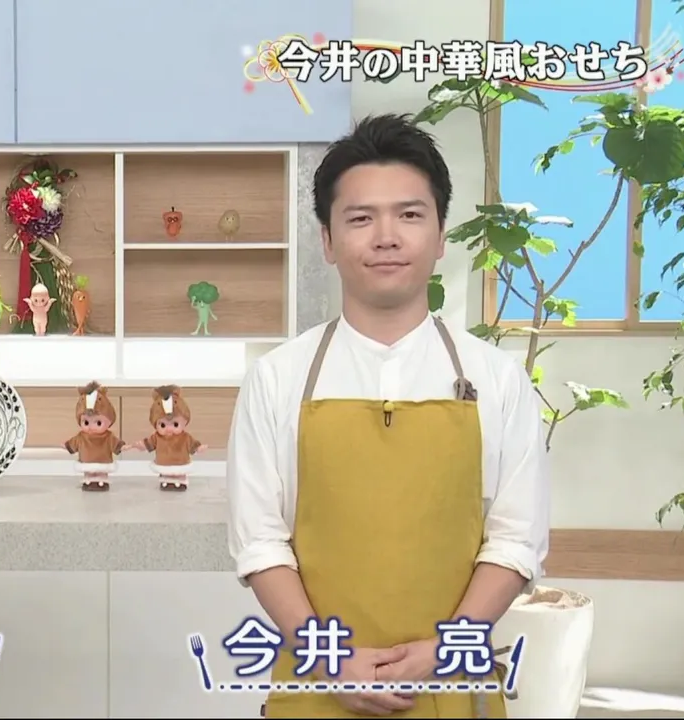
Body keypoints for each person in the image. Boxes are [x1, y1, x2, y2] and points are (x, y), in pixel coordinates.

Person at [225, 114, 549, 718]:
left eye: (409, 215)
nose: (386, 237)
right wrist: (331, 659)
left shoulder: (499, 380)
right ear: (327, 240)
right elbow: (260, 544)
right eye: (360, 218)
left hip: (452, 686)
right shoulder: (276, 379)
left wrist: (443, 650)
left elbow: (516, 541)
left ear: (441, 234)